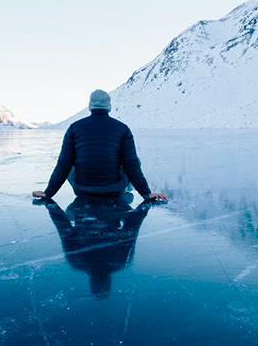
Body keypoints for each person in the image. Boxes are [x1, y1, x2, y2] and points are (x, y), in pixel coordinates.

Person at [32, 90, 167, 202]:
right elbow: (131, 165)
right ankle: (127, 189)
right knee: (134, 160)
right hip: (114, 190)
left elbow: (63, 164)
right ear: (109, 106)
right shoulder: (123, 129)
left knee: (69, 160)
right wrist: (146, 194)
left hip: (82, 189)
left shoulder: (74, 128)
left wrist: (48, 193)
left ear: (90, 105)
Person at [34, 194, 151, 298]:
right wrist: (50, 204)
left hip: (100, 201)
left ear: (109, 283)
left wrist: (146, 204)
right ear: (91, 283)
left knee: (125, 198)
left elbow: (132, 226)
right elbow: (63, 226)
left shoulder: (121, 261)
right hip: (89, 203)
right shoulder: (76, 262)